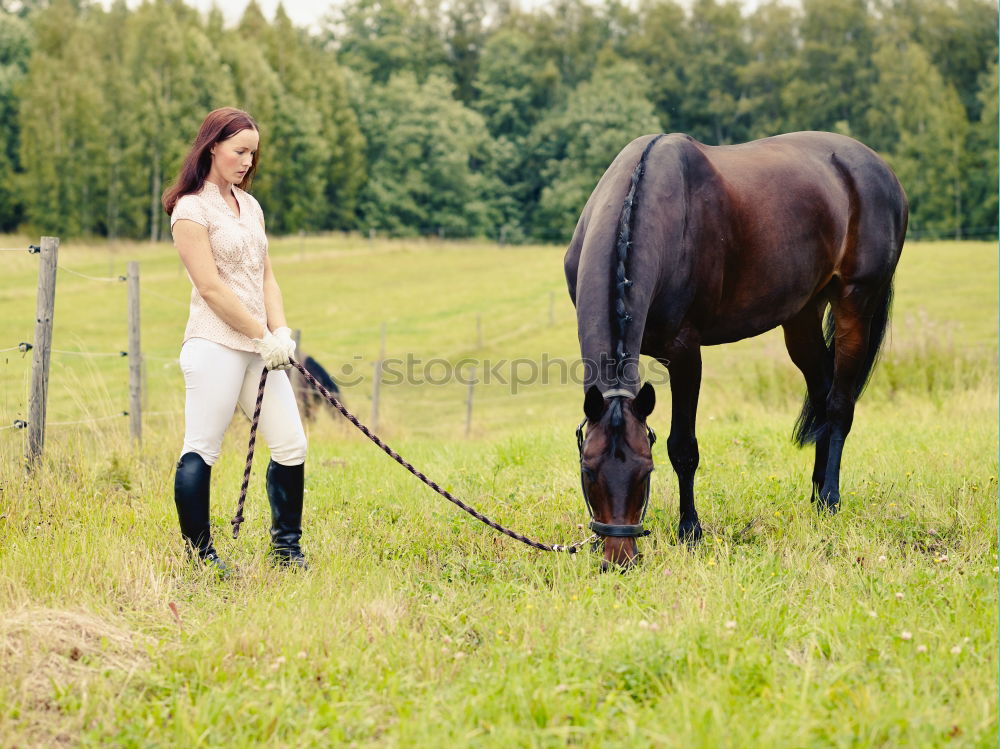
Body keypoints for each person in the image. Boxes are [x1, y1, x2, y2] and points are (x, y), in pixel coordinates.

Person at [161, 107, 309, 574]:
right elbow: (211, 288)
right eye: (240, 151)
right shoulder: (190, 209)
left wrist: (280, 331)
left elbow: (267, 277)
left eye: (253, 153)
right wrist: (261, 335)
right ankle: (201, 556)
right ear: (212, 147)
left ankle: (286, 549)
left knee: (291, 445)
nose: (247, 161)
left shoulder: (251, 207)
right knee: (202, 447)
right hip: (215, 344)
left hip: (261, 346)